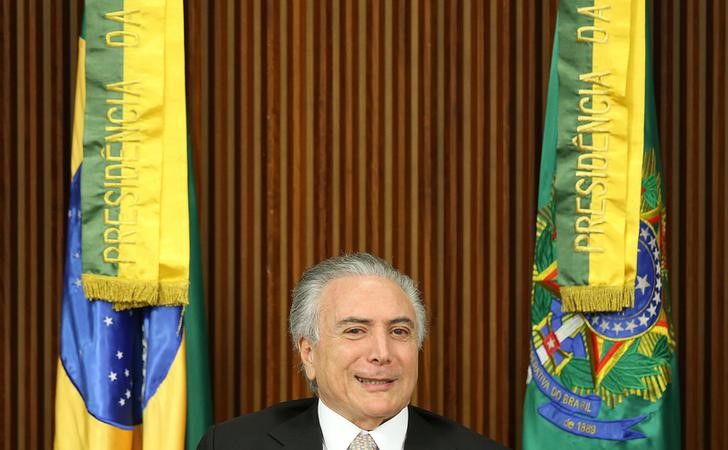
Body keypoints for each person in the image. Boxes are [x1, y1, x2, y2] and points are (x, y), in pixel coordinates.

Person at [198, 252, 507, 449]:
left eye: (399, 331)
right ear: (309, 353)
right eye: (355, 331)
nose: (382, 353)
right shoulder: (231, 445)